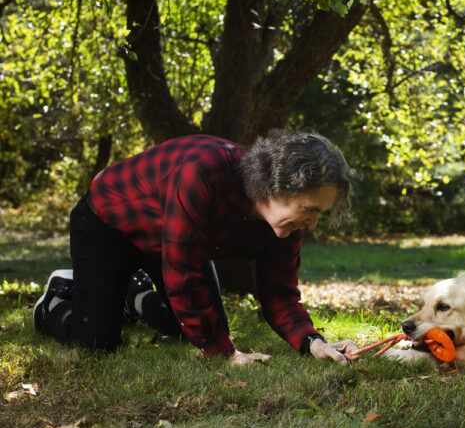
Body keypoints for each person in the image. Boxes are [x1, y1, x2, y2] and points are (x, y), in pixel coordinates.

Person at [33, 131, 359, 365]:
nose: (313, 224)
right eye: (311, 209)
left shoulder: (286, 225)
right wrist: (226, 355)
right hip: (108, 223)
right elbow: (184, 273)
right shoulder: (205, 172)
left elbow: (280, 293)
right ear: (279, 186)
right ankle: (55, 300)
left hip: (178, 240)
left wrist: (311, 342)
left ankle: (135, 297)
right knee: (96, 343)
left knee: (192, 328)